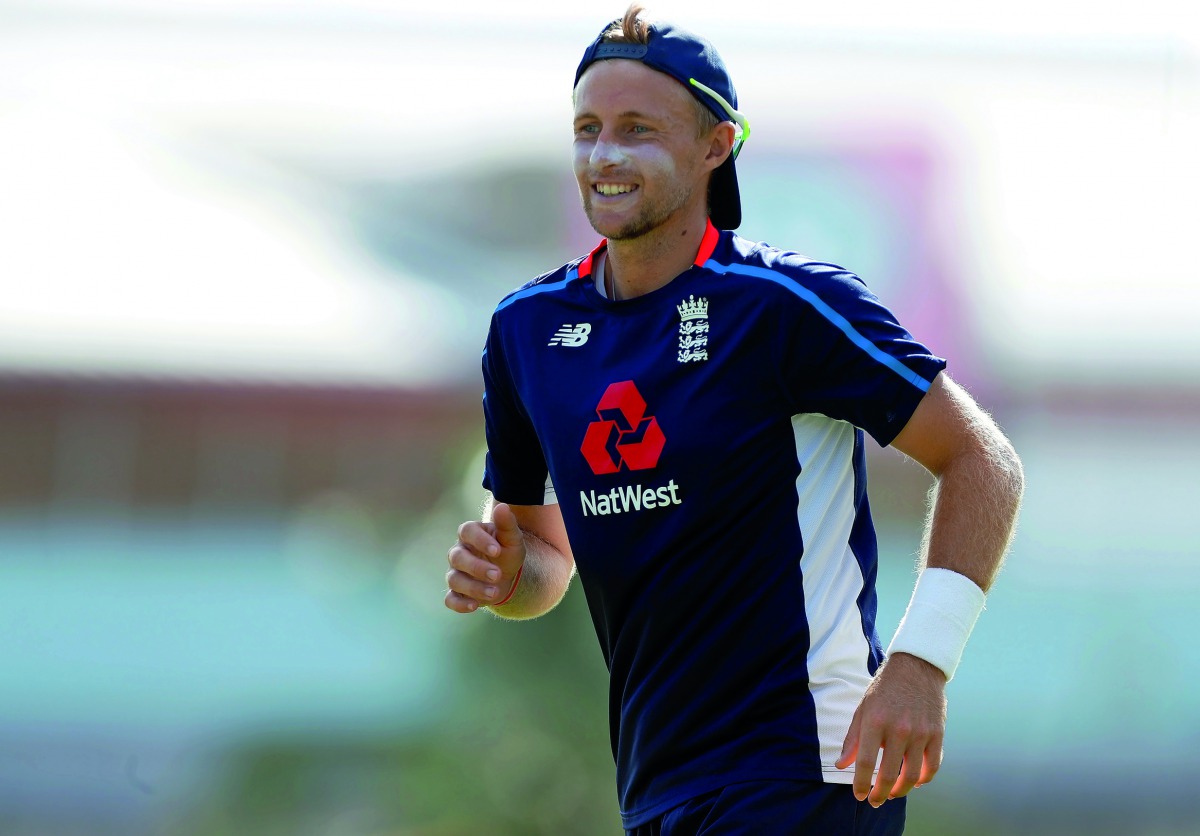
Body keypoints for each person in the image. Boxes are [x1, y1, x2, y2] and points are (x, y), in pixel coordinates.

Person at [444, 5, 1024, 834]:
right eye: (587, 128)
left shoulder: (786, 305)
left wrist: (921, 664)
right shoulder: (525, 330)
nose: (604, 155)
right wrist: (506, 578)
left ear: (717, 145)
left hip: (808, 767)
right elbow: (546, 558)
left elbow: (982, 460)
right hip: (656, 783)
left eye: (638, 129)